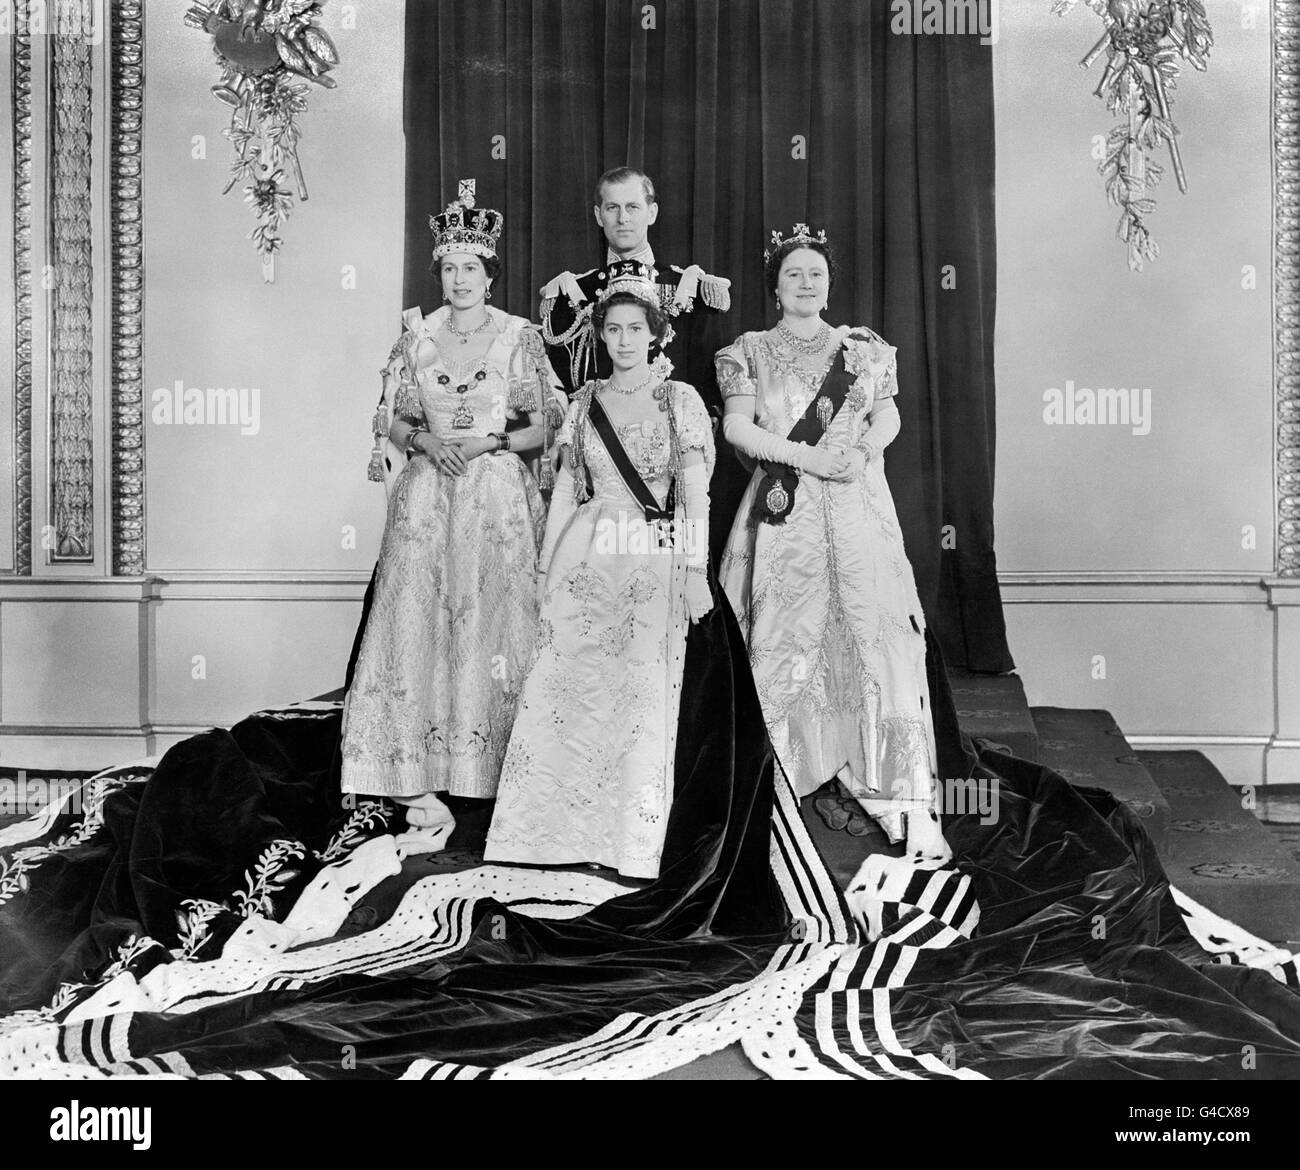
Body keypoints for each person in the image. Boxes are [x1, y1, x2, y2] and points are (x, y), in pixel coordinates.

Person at [342, 180, 565, 852]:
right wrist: (423, 440)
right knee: (418, 626)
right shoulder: (417, 335)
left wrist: (492, 441)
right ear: (438, 270)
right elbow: (392, 416)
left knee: (496, 626)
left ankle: (501, 778)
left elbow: (548, 422)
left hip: (495, 497)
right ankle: (419, 782)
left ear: (490, 275)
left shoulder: (519, 338)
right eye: (449, 267)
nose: (460, 278)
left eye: (472, 268)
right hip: (429, 500)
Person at [716, 225, 949, 862]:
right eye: (794, 274)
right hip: (785, 508)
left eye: (816, 273)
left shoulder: (864, 350)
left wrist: (867, 451)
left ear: (830, 282)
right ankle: (776, 792)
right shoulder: (748, 351)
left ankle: (893, 790)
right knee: (784, 641)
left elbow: (888, 414)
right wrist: (806, 457)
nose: (806, 283)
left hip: (856, 505)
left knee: (874, 640)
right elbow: (738, 427)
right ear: (775, 285)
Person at [484, 269, 715, 880]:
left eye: (635, 328)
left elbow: (696, 492)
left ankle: (628, 841)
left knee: (639, 691)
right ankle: (547, 833)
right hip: (584, 553)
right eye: (613, 330)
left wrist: (695, 569)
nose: (624, 340)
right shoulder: (584, 403)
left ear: (655, 334)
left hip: (653, 553)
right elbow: (566, 488)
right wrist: (542, 566)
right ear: (601, 336)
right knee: (570, 685)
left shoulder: (680, 400)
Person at [539, 166, 732, 410]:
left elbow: (706, 394)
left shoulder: (692, 290)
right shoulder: (571, 294)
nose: (623, 219)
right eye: (612, 208)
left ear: (652, 212)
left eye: (632, 207)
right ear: (599, 215)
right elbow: (562, 393)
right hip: (594, 437)